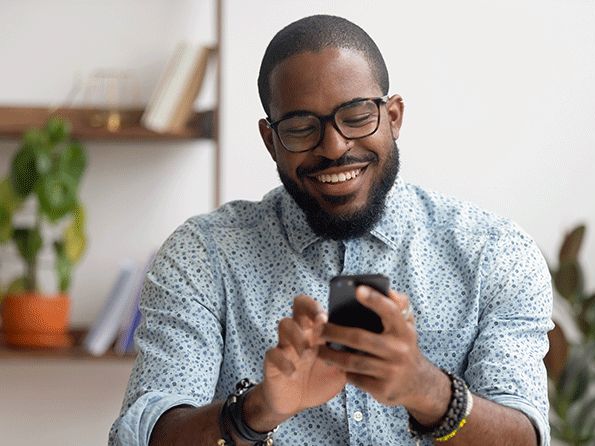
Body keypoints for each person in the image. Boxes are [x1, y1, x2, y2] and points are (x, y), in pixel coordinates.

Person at [110, 14, 553, 446]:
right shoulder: (203, 255)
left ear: (394, 117)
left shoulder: (495, 254)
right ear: (271, 141)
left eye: (357, 117)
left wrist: (427, 390)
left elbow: (526, 435)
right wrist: (257, 410)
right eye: (302, 128)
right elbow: (138, 436)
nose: (335, 146)